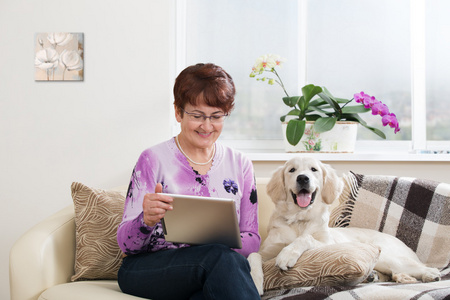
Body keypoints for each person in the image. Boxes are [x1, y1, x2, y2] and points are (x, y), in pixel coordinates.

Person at [117, 63, 261, 300]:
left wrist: (215, 240)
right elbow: (126, 244)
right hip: (148, 269)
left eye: (216, 117)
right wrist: (146, 219)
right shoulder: (152, 159)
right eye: (197, 116)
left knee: (213, 280)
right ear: (178, 112)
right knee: (220, 258)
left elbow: (252, 240)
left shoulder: (240, 163)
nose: (207, 126)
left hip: (213, 271)